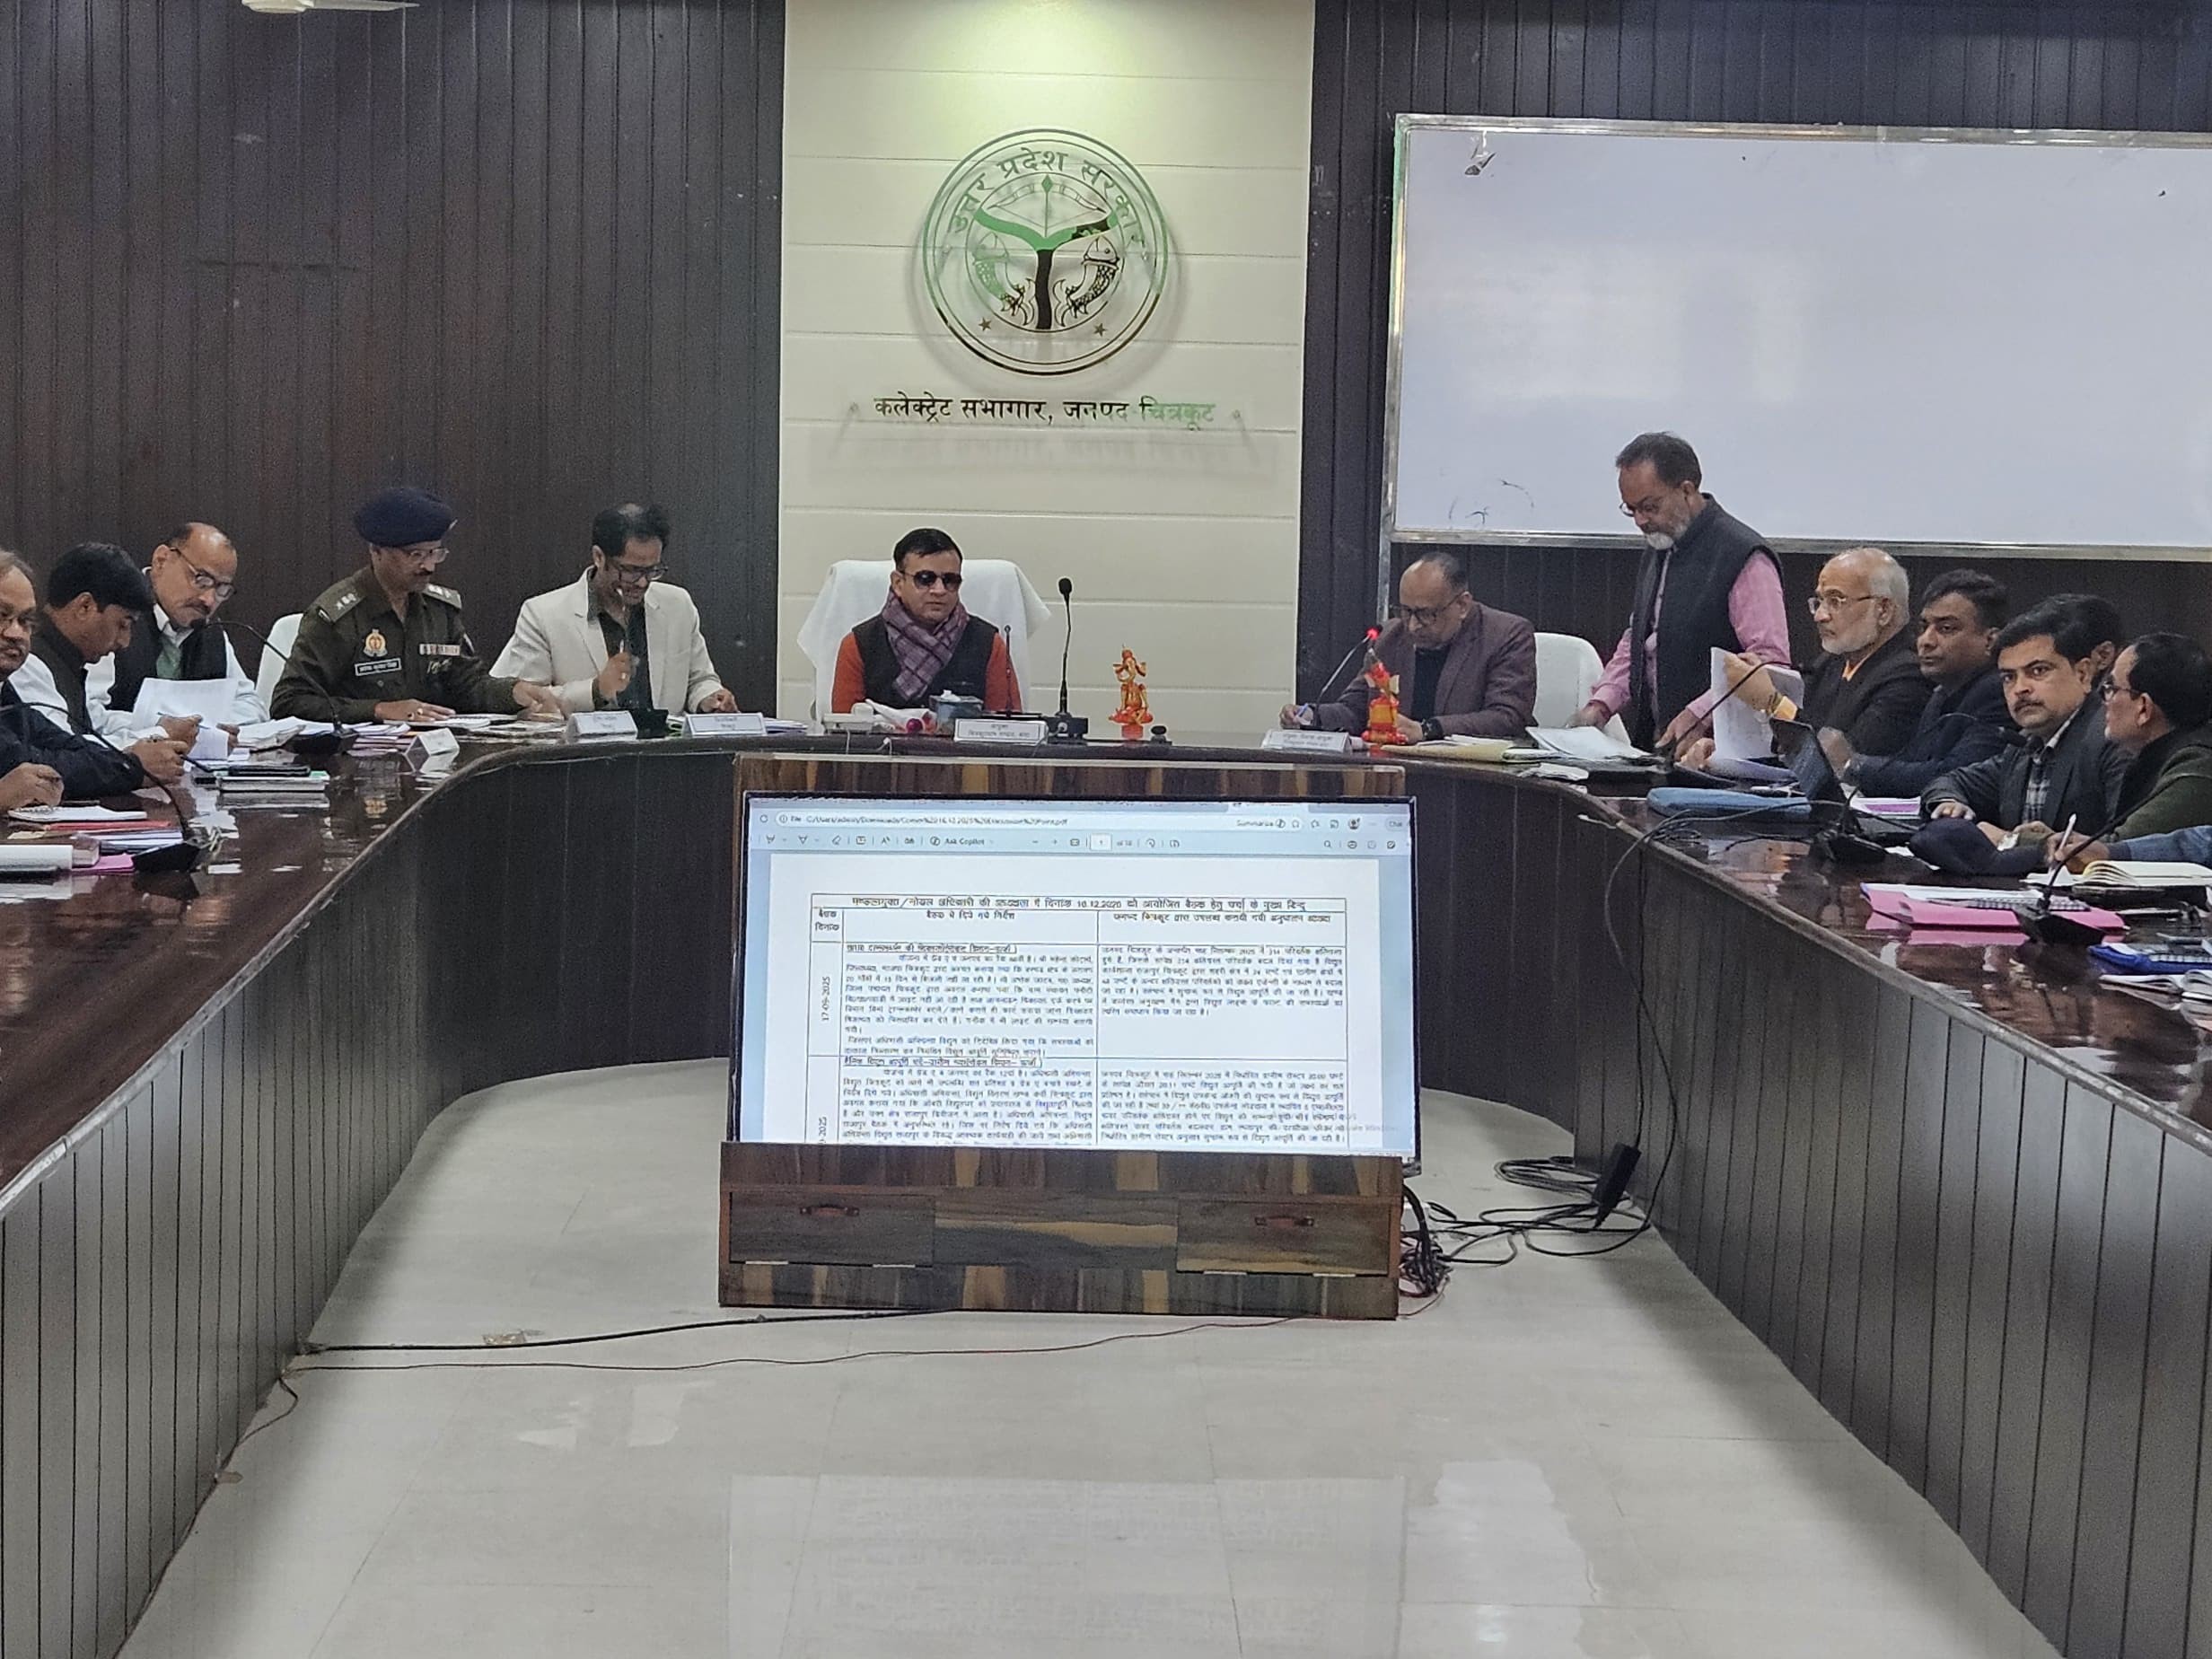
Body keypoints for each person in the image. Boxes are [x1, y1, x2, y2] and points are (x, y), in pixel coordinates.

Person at [1568, 432, 1792, 750]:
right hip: (1659, 746)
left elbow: (1770, 664)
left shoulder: (1743, 556)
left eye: (1649, 507)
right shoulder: (1661, 544)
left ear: (1687, 490)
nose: (1640, 521)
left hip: (1721, 754)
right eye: (1631, 510)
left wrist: (1699, 713)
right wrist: (1601, 705)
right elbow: (1641, 639)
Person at [273, 487, 562, 724]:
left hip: (436, 753)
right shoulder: (339, 616)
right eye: (415, 555)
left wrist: (514, 692)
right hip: (357, 761)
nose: (429, 566)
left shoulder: (439, 610)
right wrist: (379, 709)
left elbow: (466, 685)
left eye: (435, 553)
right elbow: (290, 702)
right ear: (376, 551)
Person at [1688, 547, 1931, 766]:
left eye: (1836, 601)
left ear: (1883, 610)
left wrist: (1772, 702)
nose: (1820, 615)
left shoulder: (1910, 676)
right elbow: (1790, 746)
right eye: (1820, 601)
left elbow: (1843, 763)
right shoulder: (1832, 663)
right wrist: (1727, 754)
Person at [494, 503, 739, 716]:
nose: (642, 583)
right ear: (599, 557)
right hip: (583, 754)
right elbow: (528, 703)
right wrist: (595, 690)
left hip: (663, 751)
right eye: (630, 571)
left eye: (652, 570)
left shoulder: (678, 605)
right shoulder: (543, 614)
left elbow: (700, 679)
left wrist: (710, 698)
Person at [1921, 600, 2128, 844]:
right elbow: (1949, 782)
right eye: (2009, 677)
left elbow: (2128, 847)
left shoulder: (2113, 739)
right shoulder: (2025, 747)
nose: (2020, 689)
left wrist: (2011, 842)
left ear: (2083, 674)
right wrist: (1948, 803)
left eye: (2038, 671)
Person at [1283, 553, 1536, 741]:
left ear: (1462, 605)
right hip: (1400, 770)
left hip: (1474, 781)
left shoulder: (1506, 635)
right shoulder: (1391, 636)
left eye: (1426, 614)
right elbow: (1357, 710)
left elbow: (1508, 718)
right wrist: (1311, 715)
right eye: (1406, 611)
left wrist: (1427, 730)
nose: (1413, 626)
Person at [7, 542, 189, 785]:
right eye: (123, 625)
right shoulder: (29, 663)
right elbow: (49, 762)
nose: (125, 642)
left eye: (24, 620)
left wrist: (156, 731)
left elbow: (77, 736)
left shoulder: (65, 660)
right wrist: (139, 759)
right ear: (85, 607)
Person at [1825, 568, 2011, 797]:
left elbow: (1953, 777)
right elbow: (1911, 762)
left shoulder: (1999, 693)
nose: (1926, 641)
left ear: (1991, 641)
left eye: (1946, 629)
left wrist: (1852, 764)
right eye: (1924, 627)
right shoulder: (1942, 692)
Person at [85, 522, 267, 742]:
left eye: (221, 589)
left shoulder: (211, 633)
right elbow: (89, 713)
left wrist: (207, 727)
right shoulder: (115, 614)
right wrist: (161, 728)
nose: (209, 600)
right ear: (161, 560)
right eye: (201, 580)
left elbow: (252, 705)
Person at [0, 549, 150, 803]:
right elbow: (22, 762)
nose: (16, 633)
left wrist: (131, 765)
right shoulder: (36, 666)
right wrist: (133, 767)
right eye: (2, 616)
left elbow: (65, 744)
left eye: (25, 621)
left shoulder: (7, 694)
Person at [830, 528, 1022, 714]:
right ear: (898, 583)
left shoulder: (988, 644)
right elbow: (844, 728)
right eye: (925, 579)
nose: (939, 590)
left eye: (950, 580)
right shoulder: (859, 645)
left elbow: (1007, 727)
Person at [2060, 634, 2212, 849]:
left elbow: (2121, 848)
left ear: (2143, 708)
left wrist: (2031, 842)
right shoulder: (2156, 756)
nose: (2105, 702)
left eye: (2111, 689)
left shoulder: (2195, 767)